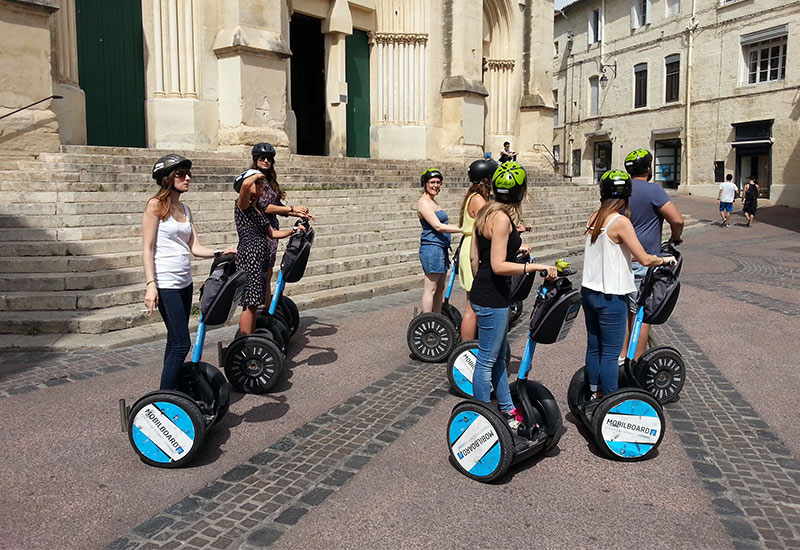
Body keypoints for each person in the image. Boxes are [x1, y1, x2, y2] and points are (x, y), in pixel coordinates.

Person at [470, 161, 557, 427]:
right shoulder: (502, 218)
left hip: (483, 291)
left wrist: (513, 255)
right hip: (493, 297)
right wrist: (535, 266)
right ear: (521, 192)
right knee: (486, 361)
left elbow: (476, 258)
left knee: (497, 357)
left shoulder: (485, 212)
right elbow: (497, 265)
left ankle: (506, 411)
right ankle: (483, 419)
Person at [142, 154, 236, 390]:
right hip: (166, 284)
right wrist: (150, 284)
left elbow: (195, 248)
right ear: (167, 178)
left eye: (188, 174)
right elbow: (147, 248)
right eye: (181, 174)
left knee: (174, 340)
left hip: (185, 283)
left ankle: (170, 390)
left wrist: (219, 251)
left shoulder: (185, 208)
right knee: (182, 344)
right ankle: (164, 399)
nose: (188, 178)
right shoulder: (155, 205)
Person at [582, 170, 676, 400]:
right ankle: (611, 399)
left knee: (594, 347)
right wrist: (665, 259)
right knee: (612, 352)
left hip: (589, 292)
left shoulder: (594, 217)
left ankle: (594, 392)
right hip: (611, 295)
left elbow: (614, 252)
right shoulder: (620, 221)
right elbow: (645, 258)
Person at [623, 148, 684, 360]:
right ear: (648, 169)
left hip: (622, 258)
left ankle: (622, 357)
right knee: (642, 314)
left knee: (626, 313)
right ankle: (636, 363)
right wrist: (675, 237)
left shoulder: (623, 189)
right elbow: (677, 220)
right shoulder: (653, 191)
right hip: (645, 259)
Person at [234, 168, 303, 335]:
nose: (262, 185)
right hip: (249, 256)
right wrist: (258, 175)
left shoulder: (256, 208)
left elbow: (272, 233)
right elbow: (244, 185)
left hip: (260, 257)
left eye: (262, 183)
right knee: (249, 304)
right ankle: (245, 341)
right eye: (257, 183)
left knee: (254, 303)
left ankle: (251, 337)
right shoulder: (242, 205)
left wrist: (294, 230)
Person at [249, 143, 314, 304]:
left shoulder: (269, 180)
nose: (265, 161)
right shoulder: (253, 180)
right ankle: (259, 308)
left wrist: (297, 212)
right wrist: (292, 208)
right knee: (262, 272)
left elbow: (278, 208)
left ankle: (265, 305)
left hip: (271, 229)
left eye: (269, 159)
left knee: (269, 271)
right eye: (262, 158)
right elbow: (263, 206)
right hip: (260, 229)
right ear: (255, 160)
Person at [457, 158, 497, 339]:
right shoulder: (478, 200)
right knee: (472, 305)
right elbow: (489, 225)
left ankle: (469, 345)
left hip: (472, 245)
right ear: (486, 180)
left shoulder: (476, 197)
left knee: (472, 303)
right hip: (472, 248)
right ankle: (466, 348)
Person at [417, 168, 462, 313]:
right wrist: (462, 230)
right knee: (431, 288)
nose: (435, 185)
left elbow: (445, 224)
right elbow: (437, 226)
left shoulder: (433, 201)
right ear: (425, 184)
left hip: (441, 247)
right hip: (432, 248)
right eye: (432, 182)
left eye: (438, 182)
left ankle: (437, 318)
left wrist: (461, 227)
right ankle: (427, 320)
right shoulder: (423, 202)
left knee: (440, 287)